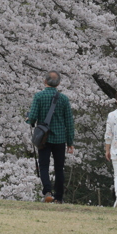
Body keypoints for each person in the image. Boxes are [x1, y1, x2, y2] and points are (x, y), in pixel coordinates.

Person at [26, 70, 75, 203]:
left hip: (44, 138)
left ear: (45, 81)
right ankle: (59, 197)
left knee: (44, 166)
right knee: (59, 168)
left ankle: (47, 191)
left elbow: (33, 118)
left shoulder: (39, 97)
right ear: (58, 83)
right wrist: (70, 141)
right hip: (59, 139)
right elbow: (69, 122)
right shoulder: (64, 99)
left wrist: (28, 118)